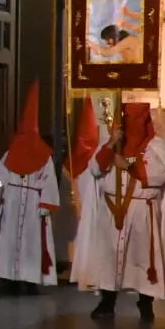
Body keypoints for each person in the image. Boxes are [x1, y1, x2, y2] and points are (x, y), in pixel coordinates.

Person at [73, 102, 165, 320]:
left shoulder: (156, 146)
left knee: (143, 259)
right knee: (111, 256)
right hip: (113, 210)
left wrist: (128, 166)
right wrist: (110, 146)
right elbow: (95, 170)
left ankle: (145, 301)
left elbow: (160, 176)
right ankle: (107, 302)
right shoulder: (112, 143)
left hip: (142, 211)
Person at [0, 83, 59, 290]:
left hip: (32, 206)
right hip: (11, 203)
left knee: (31, 245)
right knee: (9, 244)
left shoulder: (44, 158)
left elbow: (49, 180)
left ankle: (30, 282)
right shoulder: (9, 155)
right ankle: (8, 281)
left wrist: (45, 204)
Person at [65, 95, 101, 279]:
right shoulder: (98, 159)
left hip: (79, 206)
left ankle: (76, 268)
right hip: (92, 206)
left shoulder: (71, 163)